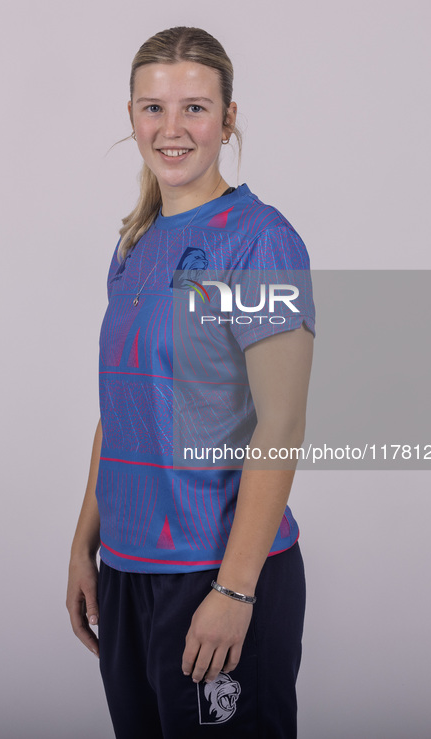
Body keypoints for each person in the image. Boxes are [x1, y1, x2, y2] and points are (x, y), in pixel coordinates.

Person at [66, 26, 315, 738]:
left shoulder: (259, 239)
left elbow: (281, 423)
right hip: (127, 573)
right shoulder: (134, 244)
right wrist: (86, 545)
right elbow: (121, 409)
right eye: (153, 108)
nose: (171, 129)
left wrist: (234, 589)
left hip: (214, 568)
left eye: (195, 108)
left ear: (228, 117)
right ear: (131, 116)